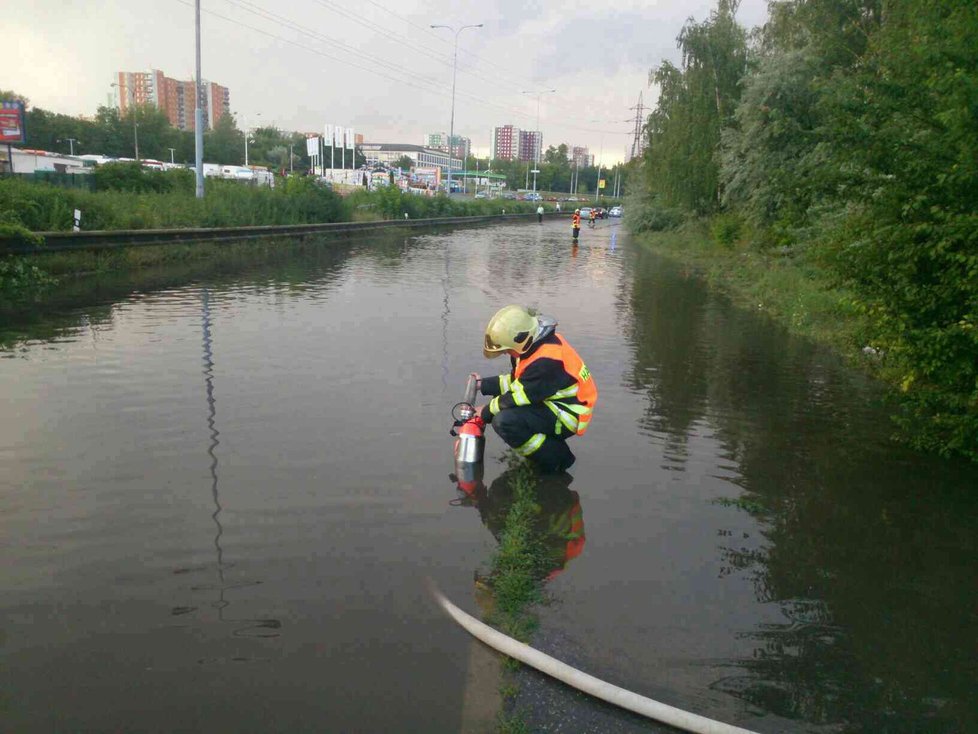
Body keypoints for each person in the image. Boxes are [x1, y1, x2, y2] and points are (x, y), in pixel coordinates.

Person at [475, 305, 597, 473]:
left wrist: (485, 412)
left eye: (508, 349)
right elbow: (520, 382)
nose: (506, 354)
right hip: (555, 401)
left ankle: (557, 459)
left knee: (504, 422)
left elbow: (519, 395)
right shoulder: (534, 348)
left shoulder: (545, 361)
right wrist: (484, 384)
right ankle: (548, 454)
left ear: (521, 340)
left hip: (567, 413)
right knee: (504, 411)